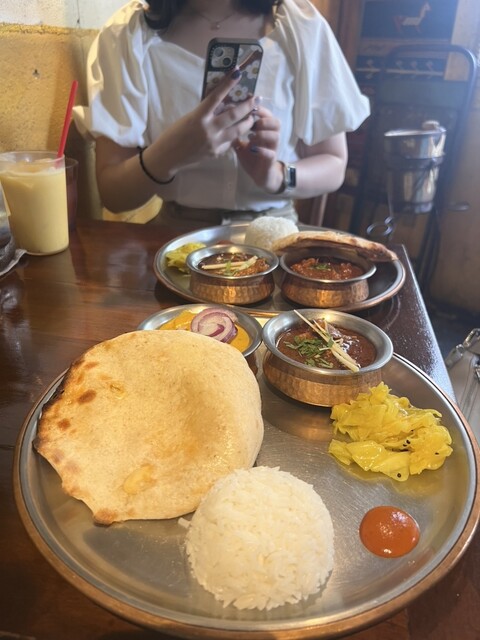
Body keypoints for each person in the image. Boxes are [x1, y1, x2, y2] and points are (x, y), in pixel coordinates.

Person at [73, 0, 370, 228]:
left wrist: (276, 174)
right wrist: (170, 152)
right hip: (174, 237)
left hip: (274, 234)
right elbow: (113, 194)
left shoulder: (301, 26)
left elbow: (333, 163)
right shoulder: (126, 35)